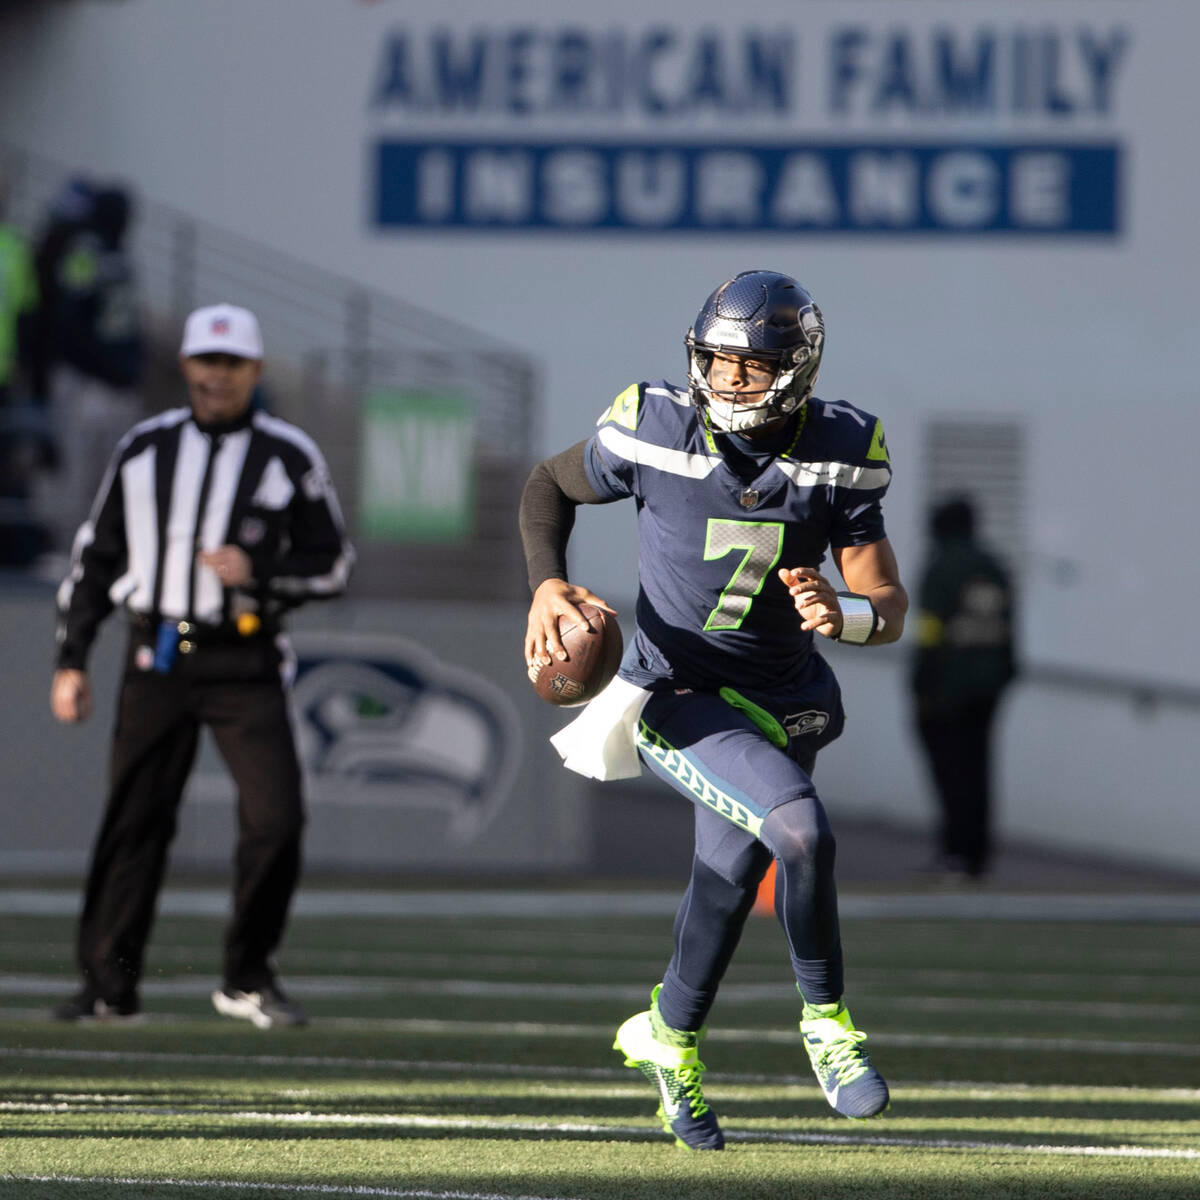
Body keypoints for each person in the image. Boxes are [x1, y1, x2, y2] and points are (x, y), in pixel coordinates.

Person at [519, 270, 907, 1150]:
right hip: (680, 693)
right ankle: (828, 1026)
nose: (727, 380)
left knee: (727, 885)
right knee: (801, 833)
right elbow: (547, 484)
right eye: (715, 361)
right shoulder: (653, 427)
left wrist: (840, 614)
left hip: (790, 701)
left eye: (750, 365)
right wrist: (545, 585)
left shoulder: (840, 447)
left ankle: (667, 1036)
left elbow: (886, 603)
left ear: (796, 369)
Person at [50, 302, 355, 1027]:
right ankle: (108, 985)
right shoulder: (144, 447)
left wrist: (261, 568)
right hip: (154, 653)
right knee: (135, 821)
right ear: (185, 365)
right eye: (205, 361)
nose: (217, 376)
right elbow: (96, 557)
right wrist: (72, 658)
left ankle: (246, 976)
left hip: (244, 654)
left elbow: (333, 564)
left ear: (254, 370)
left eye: (232, 363)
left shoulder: (289, 455)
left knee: (276, 818)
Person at [910, 496, 1016, 881]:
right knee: (979, 769)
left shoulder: (942, 568)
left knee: (951, 772)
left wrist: (921, 684)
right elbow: (1008, 632)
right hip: (988, 688)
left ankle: (954, 852)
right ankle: (976, 855)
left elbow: (930, 632)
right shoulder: (994, 567)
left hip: (947, 689)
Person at [45, 184, 146, 551]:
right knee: (79, 472)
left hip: (117, 382)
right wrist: (104, 366)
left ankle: (109, 549)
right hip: (89, 381)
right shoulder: (86, 253)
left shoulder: (120, 255)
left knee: (116, 472)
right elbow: (70, 320)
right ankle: (66, 549)